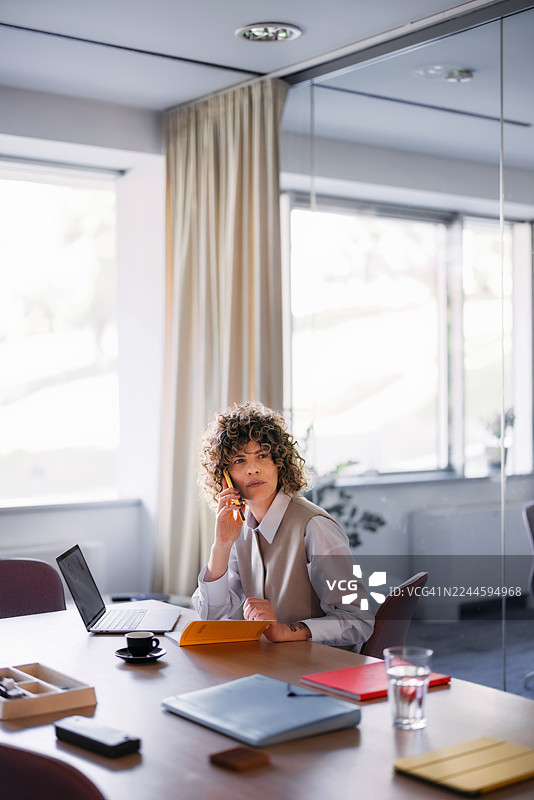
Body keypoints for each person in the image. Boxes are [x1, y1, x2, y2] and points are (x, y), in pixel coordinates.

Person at [191, 401, 374, 650]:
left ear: (279, 461)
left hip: (320, 668)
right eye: (240, 460)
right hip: (273, 664)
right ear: (224, 475)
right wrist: (221, 546)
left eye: (262, 456)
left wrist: (287, 631)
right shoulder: (239, 528)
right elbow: (211, 615)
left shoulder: (315, 527)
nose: (253, 469)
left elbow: (359, 621)